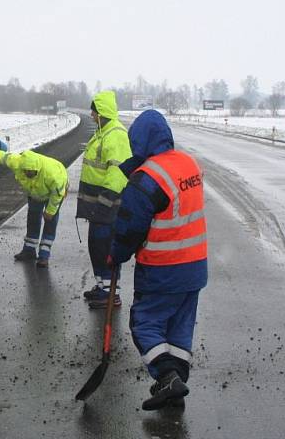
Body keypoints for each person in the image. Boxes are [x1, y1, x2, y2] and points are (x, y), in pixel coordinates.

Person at [107, 109, 207, 410]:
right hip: (195, 268)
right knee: (179, 328)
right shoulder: (188, 163)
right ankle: (175, 383)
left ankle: (166, 377)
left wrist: (116, 254)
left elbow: (129, 227)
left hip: (164, 268)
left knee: (145, 323)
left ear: (139, 141)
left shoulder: (147, 178)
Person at [76, 90, 132, 308]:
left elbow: (117, 173)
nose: (91, 115)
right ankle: (102, 287)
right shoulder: (102, 132)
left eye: (94, 111)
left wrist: (105, 202)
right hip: (98, 205)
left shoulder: (115, 135)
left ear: (102, 112)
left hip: (108, 205)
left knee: (105, 248)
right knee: (96, 246)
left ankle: (111, 294)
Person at [0, 141, 68, 268]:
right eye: (26, 172)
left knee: (50, 221)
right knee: (33, 218)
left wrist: (50, 211)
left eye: (31, 173)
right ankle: (29, 250)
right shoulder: (16, 162)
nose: (28, 174)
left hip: (54, 193)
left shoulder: (53, 175)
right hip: (35, 192)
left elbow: (57, 195)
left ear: (37, 170)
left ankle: (44, 255)